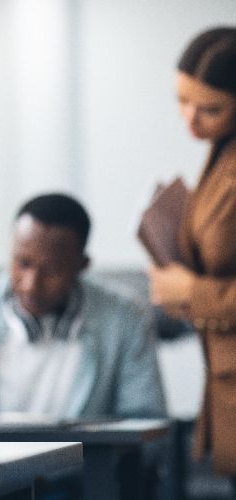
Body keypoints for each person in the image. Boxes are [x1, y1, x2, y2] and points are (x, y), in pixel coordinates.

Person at [0, 194, 166, 419]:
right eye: (22, 263)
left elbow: (146, 426)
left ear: (82, 265)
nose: (31, 285)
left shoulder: (126, 318)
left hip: (86, 455)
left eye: (51, 271)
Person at [148, 26, 236, 478]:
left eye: (210, 109)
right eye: (182, 101)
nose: (190, 120)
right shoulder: (221, 150)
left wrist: (193, 290)